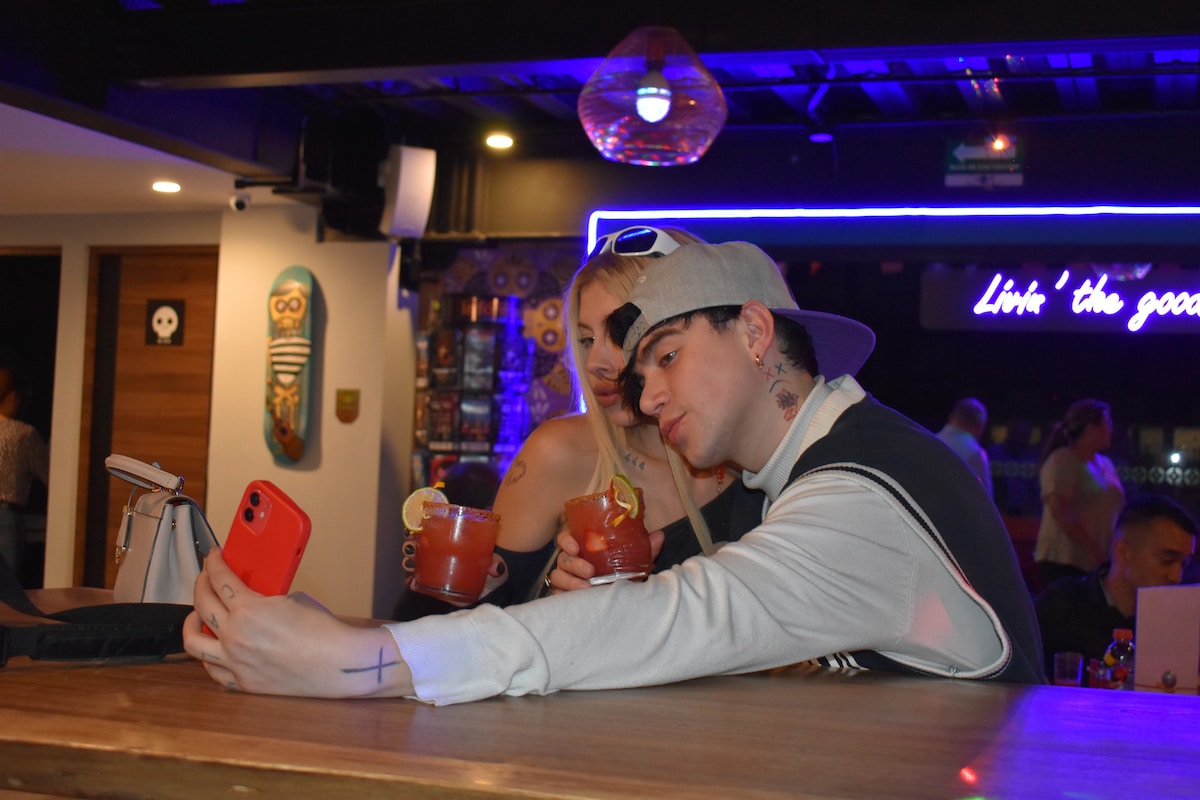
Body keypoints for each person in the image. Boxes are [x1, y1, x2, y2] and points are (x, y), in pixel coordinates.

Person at [183, 235, 1044, 702]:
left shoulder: (858, 494)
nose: (647, 392)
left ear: (754, 334)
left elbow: (681, 618)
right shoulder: (824, 465)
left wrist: (357, 661)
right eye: (636, 370)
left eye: (666, 355)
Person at [393, 226, 761, 621]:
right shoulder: (561, 452)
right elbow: (464, 623)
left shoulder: (756, 458)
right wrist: (552, 604)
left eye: (619, 333)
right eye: (587, 340)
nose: (595, 363)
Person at [1034, 494, 1197, 680]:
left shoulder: (1180, 622)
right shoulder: (1062, 605)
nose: (1176, 576)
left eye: (1184, 564)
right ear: (1123, 552)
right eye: (1167, 560)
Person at [1033, 398, 1125, 587]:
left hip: (1096, 562)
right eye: (1107, 423)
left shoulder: (1106, 464)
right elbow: (1060, 510)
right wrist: (1093, 550)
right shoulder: (1063, 461)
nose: (1111, 429)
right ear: (1091, 428)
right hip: (1065, 560)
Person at [0, 365, 50, 576]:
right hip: (6, 518)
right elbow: (50, 477)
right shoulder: (24, 434)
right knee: (6, 586)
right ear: (12, 396)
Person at [935, 397, 992, 499]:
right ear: (980, 426)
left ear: (951, 417)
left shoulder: (931, 440)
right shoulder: (975, 453)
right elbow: (984, 499)